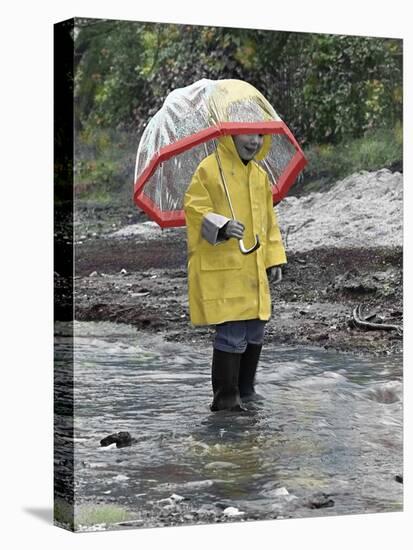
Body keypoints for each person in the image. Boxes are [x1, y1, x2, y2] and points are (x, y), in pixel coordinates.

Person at [183, 133, 286, 412]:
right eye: (248, 135)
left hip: (253, 267)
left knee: (255, 329)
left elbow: (269, 222)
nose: (255, 142)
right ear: (230, 134)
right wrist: (222, 225)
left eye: (260, 135)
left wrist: (273, 259)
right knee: (231, 331)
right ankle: (226, 399)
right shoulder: (208, 169)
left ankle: (246, 391)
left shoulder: (259, 175)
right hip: (223, 271)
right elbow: (194, 209)